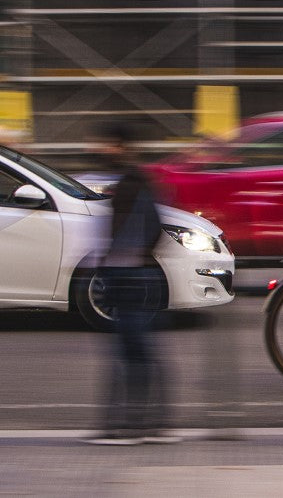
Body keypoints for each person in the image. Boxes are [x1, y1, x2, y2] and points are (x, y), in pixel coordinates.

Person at [82, 123, 179, 445]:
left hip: (133, 277)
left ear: (120, 145)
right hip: (127, 275)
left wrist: (124, 259)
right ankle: (135, 424)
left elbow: (149, 229)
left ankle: (136, 425)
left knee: (134, 352)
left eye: (105, 144)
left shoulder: (136, 181)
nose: (99, 150)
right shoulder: (129, 181)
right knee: (132, 352)